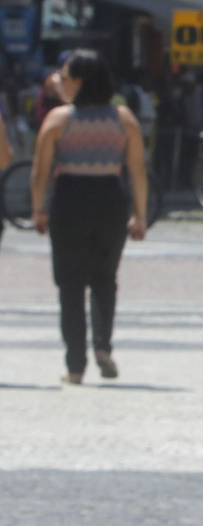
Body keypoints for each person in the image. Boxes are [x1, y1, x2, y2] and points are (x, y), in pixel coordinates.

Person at [29, 50, 146, 384]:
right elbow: (137, 170)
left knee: (70, 284)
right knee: (105, 280)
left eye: (64, 76)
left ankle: (75, 365)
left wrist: (38, 209)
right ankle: (103, 347)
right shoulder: (124, 119)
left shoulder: (57, 120)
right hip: (110, 199)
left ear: (79, 82)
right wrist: (139, 215)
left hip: (70, 200)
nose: (59, 82)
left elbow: (41, 171)